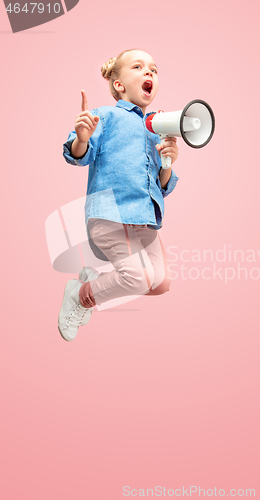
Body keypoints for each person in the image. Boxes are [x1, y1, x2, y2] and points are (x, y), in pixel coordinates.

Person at [58, 49, 180, 342]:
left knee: (161, 283)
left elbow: (161, 186)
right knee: (140, 278)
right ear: (119, 85)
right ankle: (82, 295)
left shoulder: (155, 130)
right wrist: (83, 138)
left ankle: (95, 283)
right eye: (138, 67)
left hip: (143, 219)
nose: (149, 72)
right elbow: (79, 155)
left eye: (154, 69)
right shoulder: (105, 116)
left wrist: (168, 163)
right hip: (112, 214)